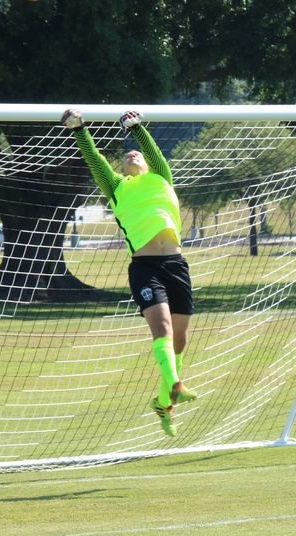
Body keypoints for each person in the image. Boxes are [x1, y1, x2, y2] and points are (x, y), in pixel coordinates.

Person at [62, 108, 197, 437]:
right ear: (122, 170)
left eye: (136, 154)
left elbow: (150, 150)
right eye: (126, 157)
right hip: (145, 268)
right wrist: (79, 128)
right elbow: (94, 160)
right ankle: (176, 384)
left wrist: (136, 127)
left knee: (179, 341)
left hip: (177, 265)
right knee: (162, 328)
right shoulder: (117, 187)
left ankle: (164, 401)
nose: (132, 155)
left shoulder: (161, 176)